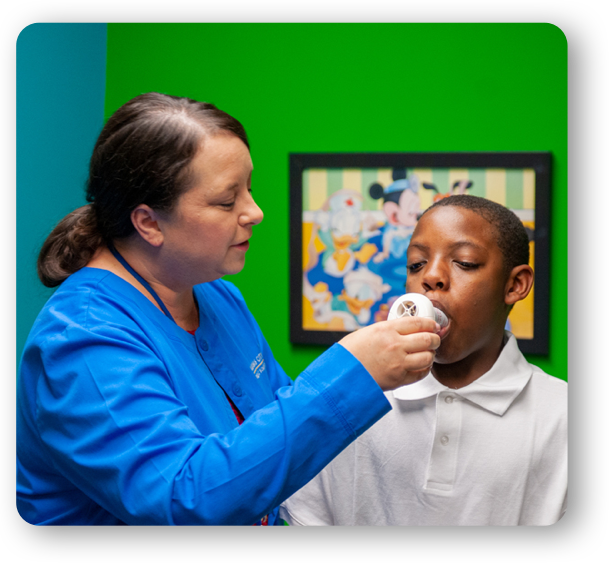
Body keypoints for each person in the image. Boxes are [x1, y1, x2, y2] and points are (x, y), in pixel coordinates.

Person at [16, 92, 441, 526]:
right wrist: (352, 373)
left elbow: (274, 432)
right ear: (148, 222)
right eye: (226, 201)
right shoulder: (84, 340)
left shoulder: (215, 295)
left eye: (250, 189)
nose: (255, 212)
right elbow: (184, 499)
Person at [280, 195, 567, 526]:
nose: (430, 277)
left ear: (515, 284)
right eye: (416, 265)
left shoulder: (559, 415)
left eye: (465, 262)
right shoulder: (352, 399)